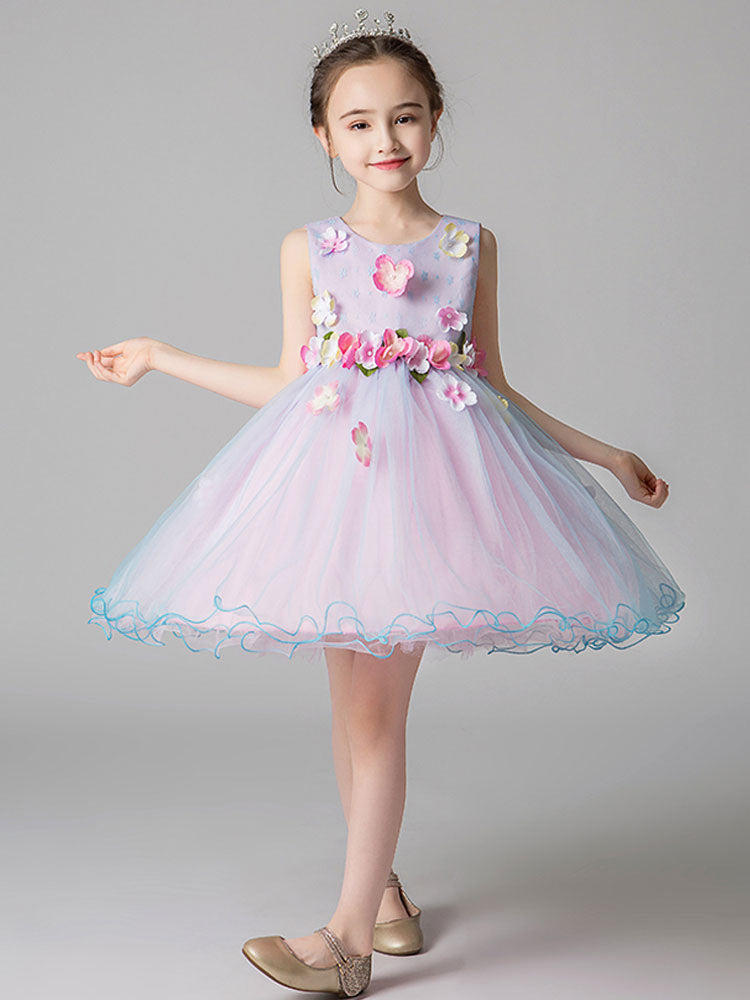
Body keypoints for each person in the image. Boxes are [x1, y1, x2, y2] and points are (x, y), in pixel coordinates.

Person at [76, 10, 686, 998]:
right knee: (351, 712)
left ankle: (347, 940)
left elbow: (492, 385)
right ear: (324, 136)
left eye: (405, 116)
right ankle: (387, 897)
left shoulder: (467, 243)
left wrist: (606, 454)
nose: (385, 139)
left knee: (376, 722)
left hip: (428, 503)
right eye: (358, 123)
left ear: (435, 120)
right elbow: (289, 381)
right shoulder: (310, 247)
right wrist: (160, 357)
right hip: (333, 495)